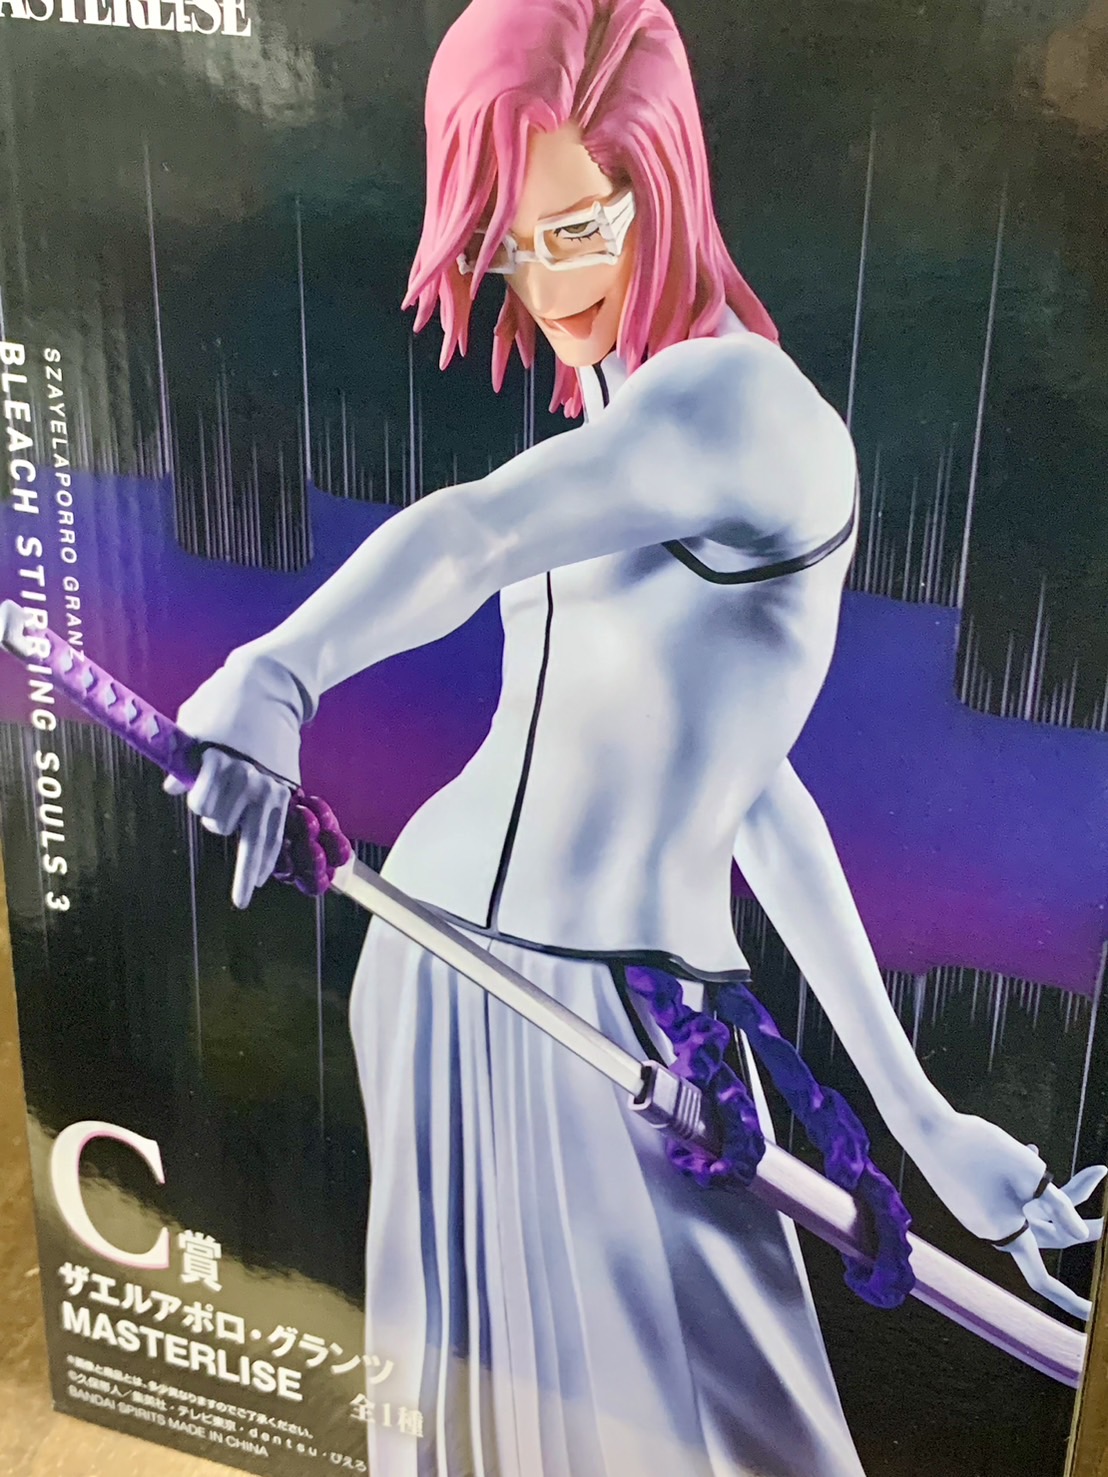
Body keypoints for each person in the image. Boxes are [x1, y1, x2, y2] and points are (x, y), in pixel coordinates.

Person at [163, 2, 1104, 1473]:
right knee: (473, 1436)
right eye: (511, 246)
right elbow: (745, 781)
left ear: (664, 180)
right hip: (438, 971)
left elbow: (477, 535)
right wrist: (918, 1115)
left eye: (581, 230)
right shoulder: (613, 409)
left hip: (626, 1029)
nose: (550, 287)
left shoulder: (742, 410)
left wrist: (282, 674)